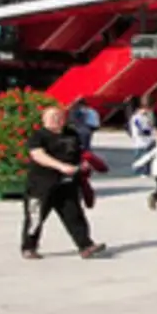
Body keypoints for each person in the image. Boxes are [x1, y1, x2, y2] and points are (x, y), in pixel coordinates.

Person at [22, 105, 105, 260]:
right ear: (44, 119)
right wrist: (60, 166)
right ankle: (29, 247)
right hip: (41, 184)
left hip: (67, 184)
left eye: (59, 116)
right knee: (35, 218)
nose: (56, 119)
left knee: (75, 216)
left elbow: (80, 152)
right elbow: (38, 155)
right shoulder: (38, 136)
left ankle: (86, 246)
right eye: (52, 117)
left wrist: (84, 165)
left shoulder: (71, 133)